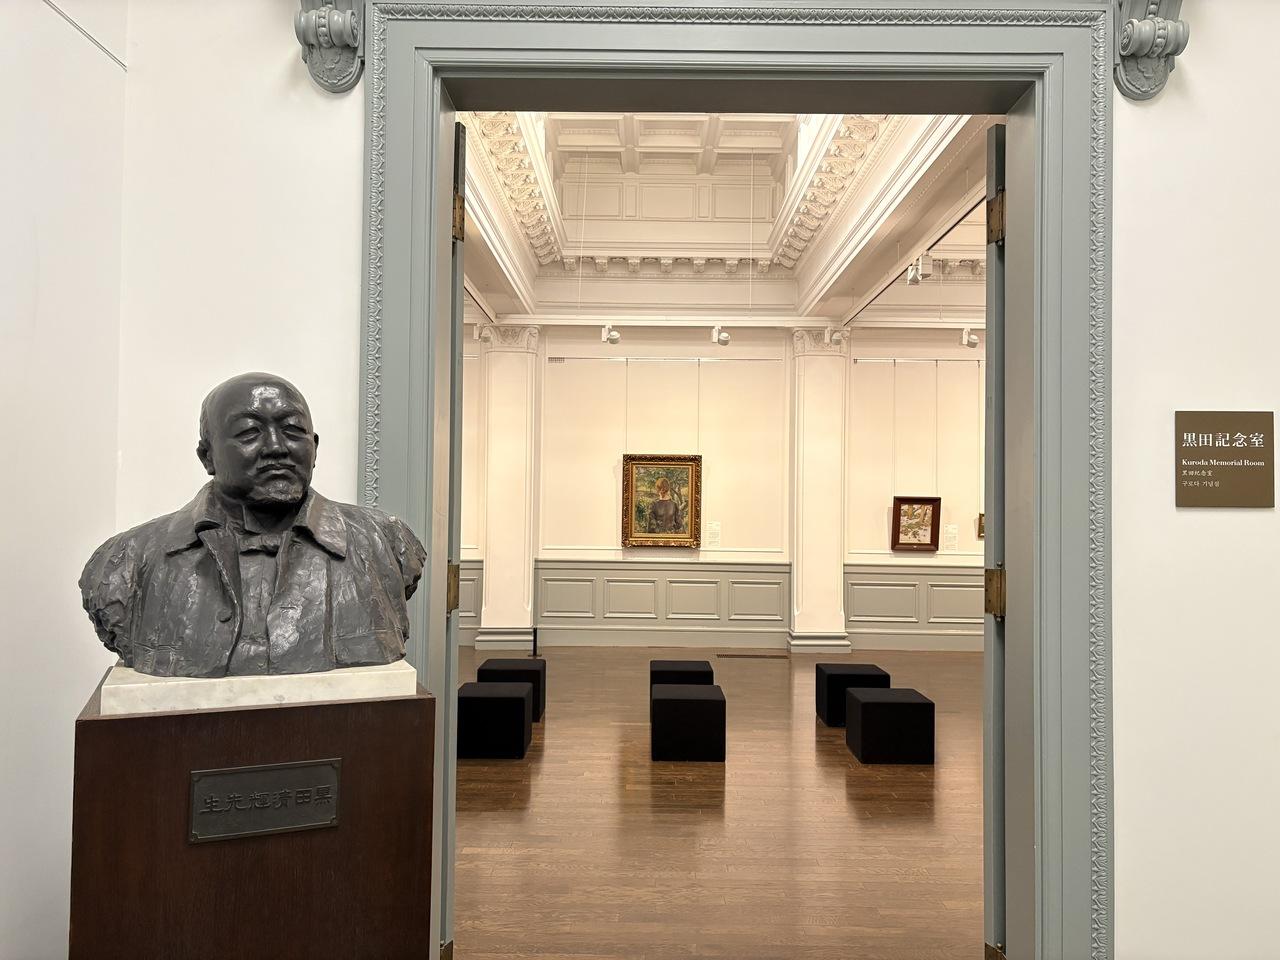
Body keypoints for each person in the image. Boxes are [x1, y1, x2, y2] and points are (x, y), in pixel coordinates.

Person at [79, 372, 427, 677]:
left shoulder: (385, 542)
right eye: (249, 433)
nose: (276, 447)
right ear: (207, 456)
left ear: (314, 447)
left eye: (293, 430)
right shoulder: (128, 560)